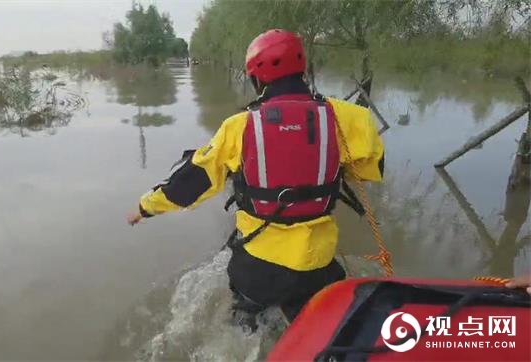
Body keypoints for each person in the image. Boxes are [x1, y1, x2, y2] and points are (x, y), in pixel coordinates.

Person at [126, 29, 384, 329]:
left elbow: (189, 184)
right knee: (318, 329)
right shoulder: (350, 117)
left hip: (258, 268)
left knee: (245, 326)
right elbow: (369, 171)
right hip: (318, 265)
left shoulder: (239, 126)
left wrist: (144, 208)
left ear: (256, 79)